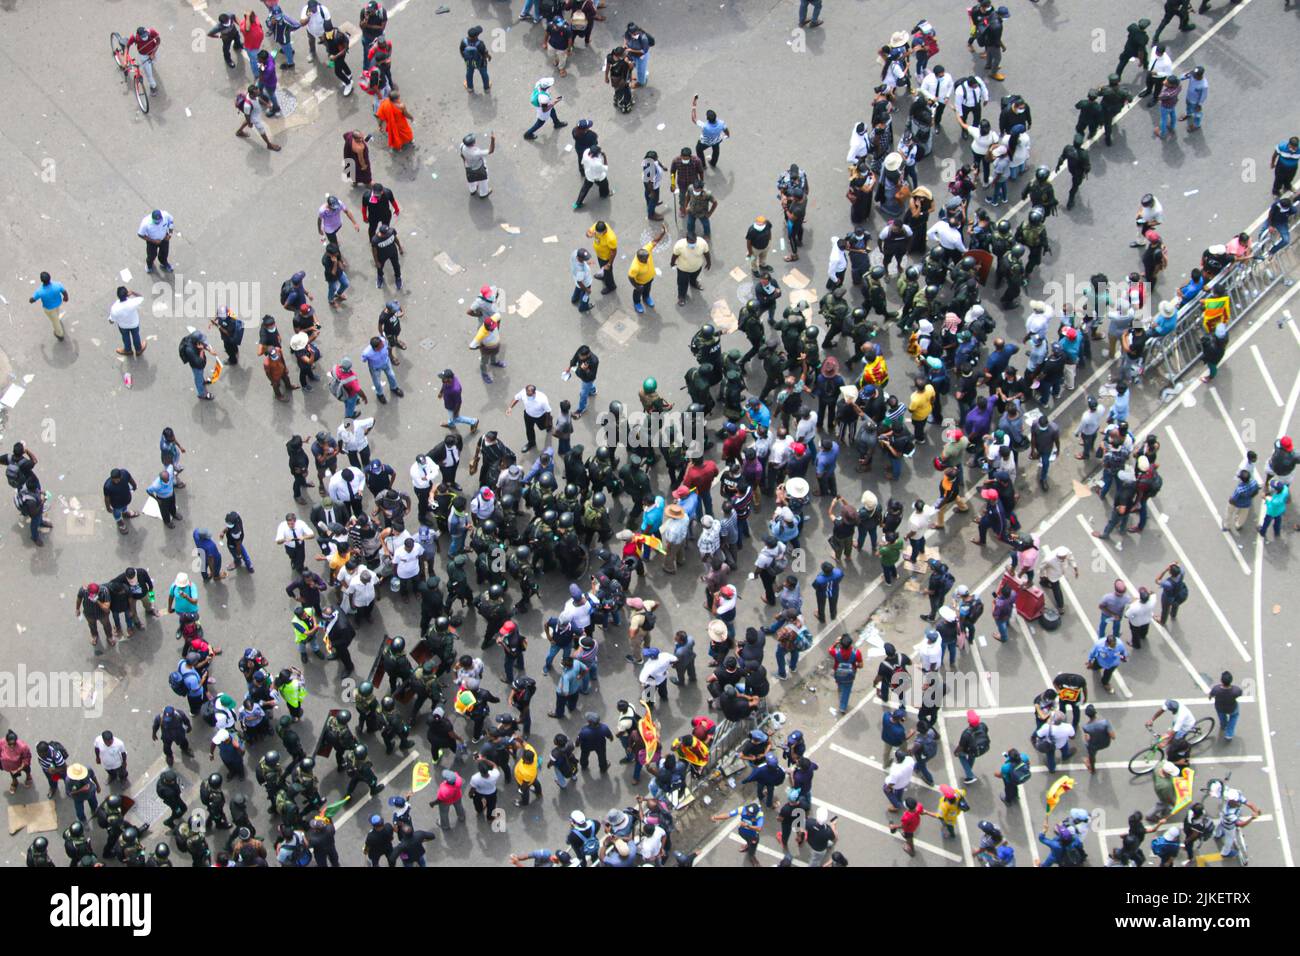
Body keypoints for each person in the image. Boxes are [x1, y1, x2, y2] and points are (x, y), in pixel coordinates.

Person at [29, 271, 69, 341]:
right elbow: (64, 292)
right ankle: (57, 318)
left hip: (49, 308)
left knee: (55, 322)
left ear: (41, 280)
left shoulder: (40, 291)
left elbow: (32, 300)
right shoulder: (57, 284)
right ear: (50, 277)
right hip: (58, 303)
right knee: (56, 313)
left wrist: (31, 299)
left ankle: (60, 334)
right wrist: (66, 297)